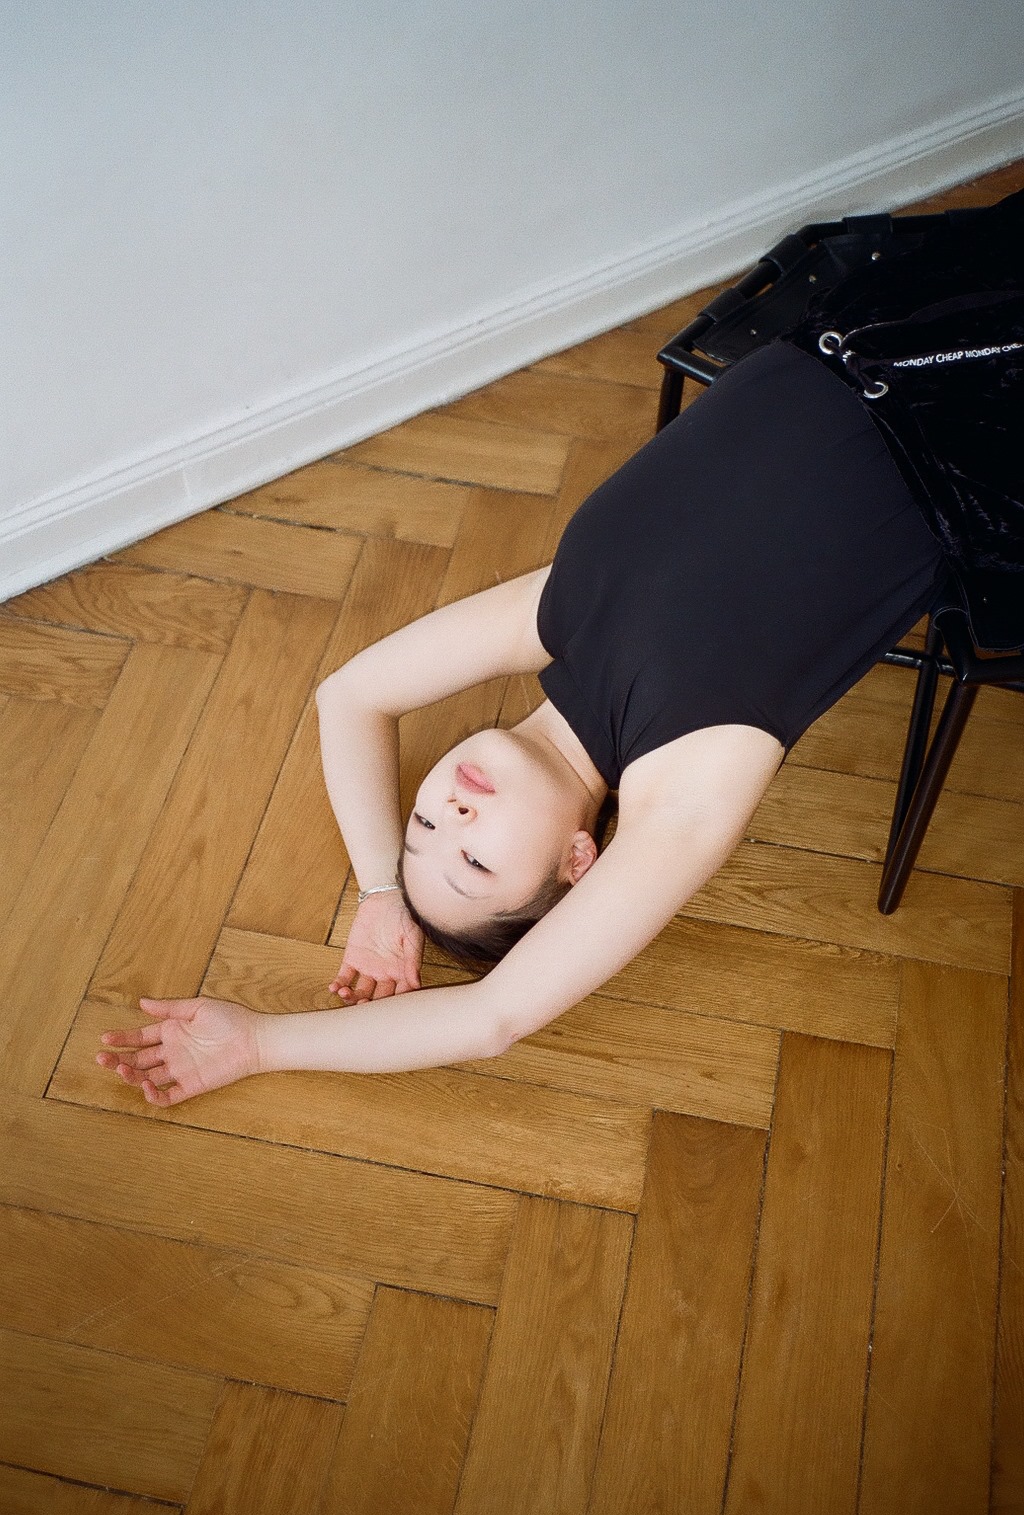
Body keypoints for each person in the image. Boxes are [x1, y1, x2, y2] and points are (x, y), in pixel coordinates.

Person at [97, 339, 945, 1106]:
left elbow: (349, 697)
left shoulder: (553, 618)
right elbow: (492, 1016)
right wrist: (261, 1042)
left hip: (860, 321)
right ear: (579, 861)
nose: (451, 811)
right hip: (955, 418)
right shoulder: (685, 784)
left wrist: (382, 892)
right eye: (473, 859)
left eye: (423, 822)